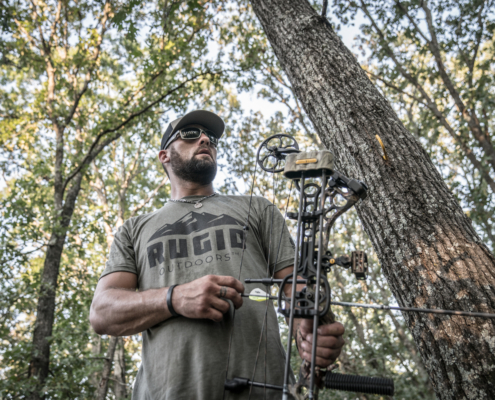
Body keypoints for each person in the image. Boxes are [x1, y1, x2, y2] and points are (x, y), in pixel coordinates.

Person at [90, 110, 345, 399]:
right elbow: (102, 312)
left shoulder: (258, 208)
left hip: (264, 390)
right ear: (164, 156)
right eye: (189, 134)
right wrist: (175, 298)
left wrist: (311, 333)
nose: (204, 139)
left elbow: (295, 287)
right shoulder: (134, 229)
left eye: (210, 138)